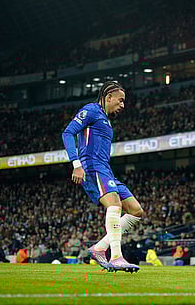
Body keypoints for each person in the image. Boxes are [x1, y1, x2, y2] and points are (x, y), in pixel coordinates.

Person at [61, 81, 143, 273]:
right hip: (92, 167)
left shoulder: (106, 120)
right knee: (114, 205)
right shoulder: (91, 110)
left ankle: (100, 248)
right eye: (120, 100)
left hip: (106, 170)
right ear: (108, 97)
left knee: (136, 211)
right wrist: (76, 164)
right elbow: (67, 133)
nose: (122, 105)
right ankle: (116, 257)